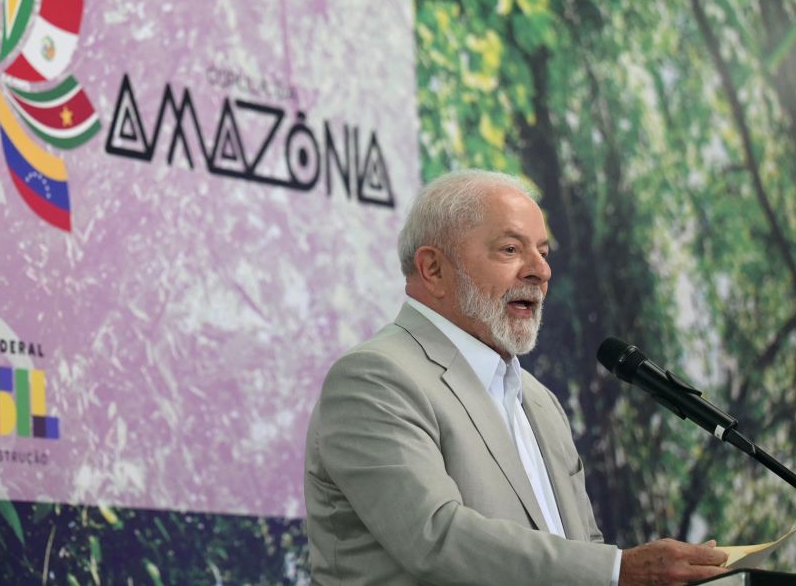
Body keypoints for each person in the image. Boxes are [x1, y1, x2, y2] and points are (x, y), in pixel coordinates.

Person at [304, 169, 729, 585]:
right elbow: (436, 538)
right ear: (433, 269)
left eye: (544, 252)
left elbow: (582, 548)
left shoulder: (540, 401)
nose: (540, 271)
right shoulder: (375, 379)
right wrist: (621, 572)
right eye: (511, 250)